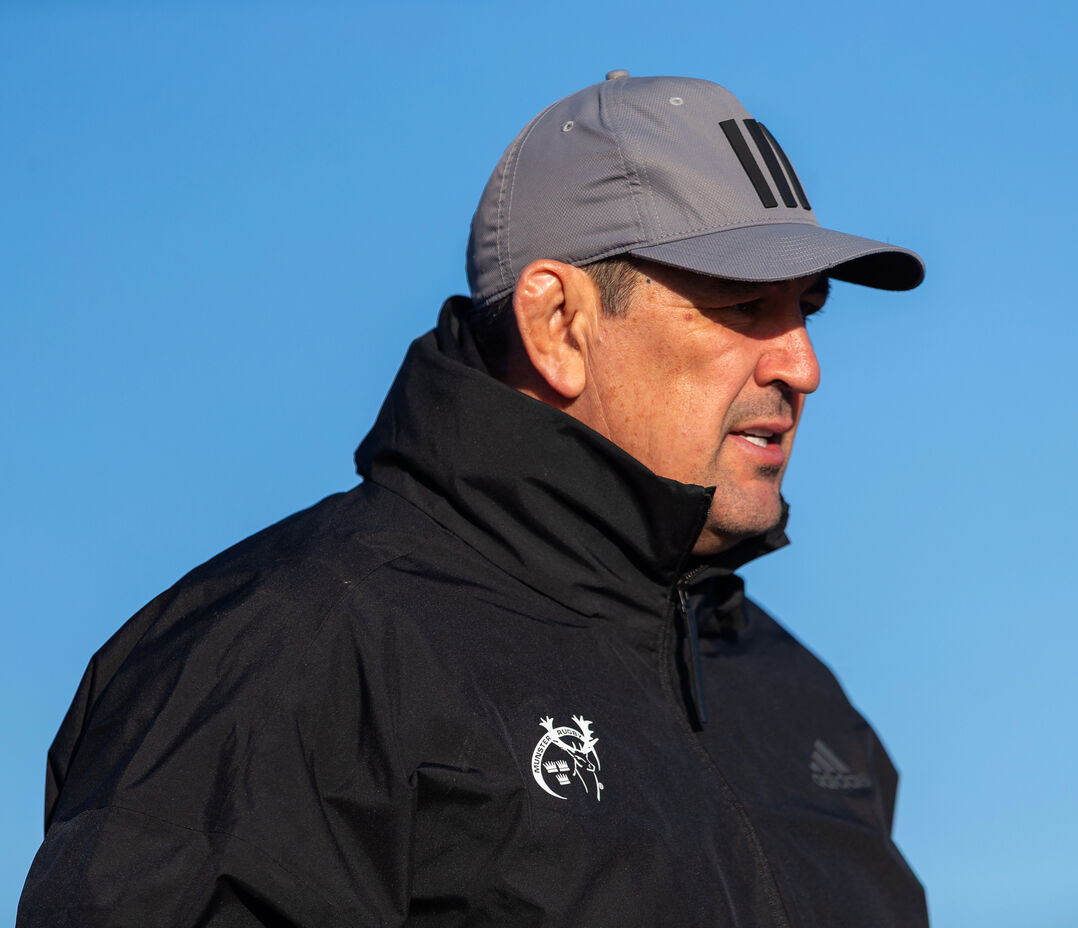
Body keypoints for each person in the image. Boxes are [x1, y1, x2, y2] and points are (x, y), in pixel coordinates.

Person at [19, 72, 928, 926]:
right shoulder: (298, 652)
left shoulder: (803, 708)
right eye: (741, 306)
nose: (801, 365)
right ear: (557, 324)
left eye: (809, 306)